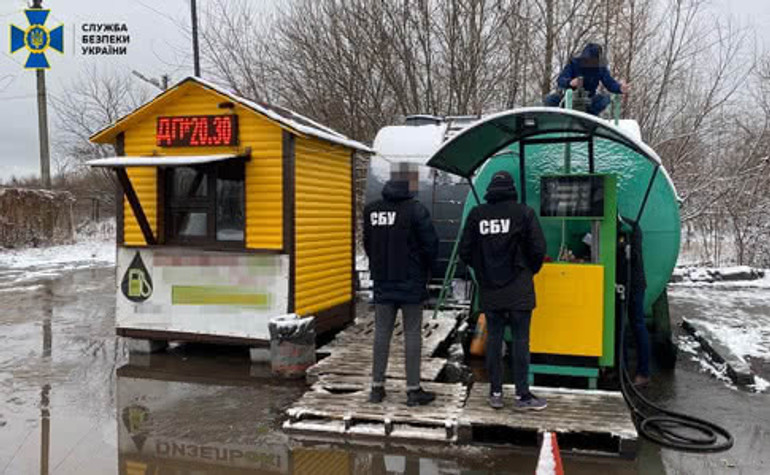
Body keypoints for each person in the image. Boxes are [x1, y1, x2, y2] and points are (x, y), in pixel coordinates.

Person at [459, 171, 547, 410]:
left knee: (494, 340)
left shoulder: (478, 214)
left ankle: (495, 392)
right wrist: (530, 270)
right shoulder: (524, 213)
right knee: (521, 341)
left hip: (490, 289)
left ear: (490, 190)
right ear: (512, 189)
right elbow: (538, 248)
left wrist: (482, 268)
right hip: (519, 288)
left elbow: (464, 251)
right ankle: (521, 396)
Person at [363, 163, 439, 406]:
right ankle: (413, 390)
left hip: (383, 281)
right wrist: (427, 270)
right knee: (412, 333)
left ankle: (376, 388)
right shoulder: (416, 210)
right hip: (411, 282)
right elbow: (431, 245)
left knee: (382, 334)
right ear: (410, 187)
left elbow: (367, 243)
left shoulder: (372, 210)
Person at [544, 42, 630, 116]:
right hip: (568, 98)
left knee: (605, 98)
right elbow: (561, 80)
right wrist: (570, 82)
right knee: (549, 99)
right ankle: (557, 117)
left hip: (589, 101)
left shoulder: (600, 67)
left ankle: (589, 117)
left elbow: (609, 83)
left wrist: (619, 88)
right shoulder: (574, 63)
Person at [619, 217, 651, 386]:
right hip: (617, 284)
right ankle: (621, 368)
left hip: (634, 284)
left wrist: (624, 249)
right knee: (618, 327)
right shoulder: (607, 225)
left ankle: (643, 372)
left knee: (637, 325)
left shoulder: (631, 227)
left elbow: (636, 256)